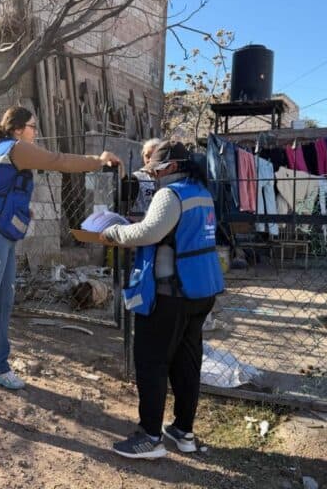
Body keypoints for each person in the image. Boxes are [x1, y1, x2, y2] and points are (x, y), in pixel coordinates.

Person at [0, 106, 122, 399]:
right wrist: (98, 160)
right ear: (18, 129)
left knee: (4, 301)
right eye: (33, 126)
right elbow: (59, 160)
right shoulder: (17, 148)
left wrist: (20, 208)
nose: (36, 131)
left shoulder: (1, 151)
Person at [101, 140, 224, 459]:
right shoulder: (202, 192)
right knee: (186, 363)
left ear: (170, 167)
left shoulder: (170, 194)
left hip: (171, 294)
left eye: (155, 170)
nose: (153, 177)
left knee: (152, 362)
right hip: (201, 290)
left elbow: (148, 234)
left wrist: (114, 233)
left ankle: (150, 437)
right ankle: (183, 432)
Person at [124, 137, 161, 220]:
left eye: (154, 156)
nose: (150, 160)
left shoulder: (169, 177)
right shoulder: (136, 178)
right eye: (147, 156)